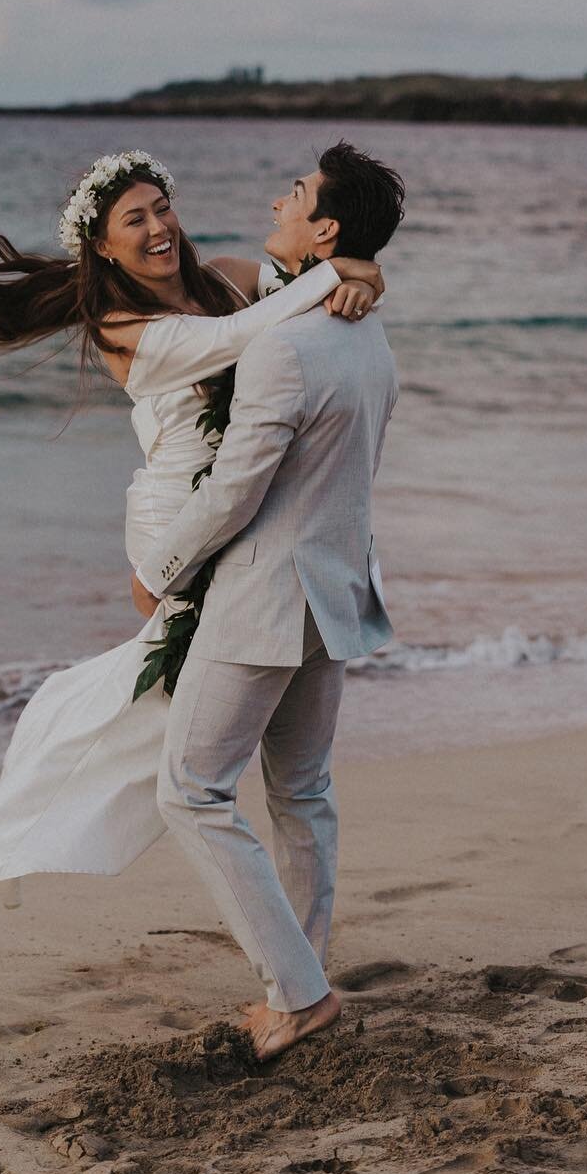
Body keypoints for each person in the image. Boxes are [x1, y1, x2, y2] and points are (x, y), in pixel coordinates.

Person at [0, 146, 388, 941]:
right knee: (159, 729)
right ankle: (27, 829)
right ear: (104, 246)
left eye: (162, 208)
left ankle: (291, 942)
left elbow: (297, 291)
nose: (158, 228)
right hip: (175, 528)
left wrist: (357, 274)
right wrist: (346, 274)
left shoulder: (224, 273)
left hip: (238, 517)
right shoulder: (121, 324)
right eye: (135, 220)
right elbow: (248, 333)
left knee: (199, 738)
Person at [132, 142, 403, 1058]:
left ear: (323, 226)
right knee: (302, 791)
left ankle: (300, 992)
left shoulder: (284, 347)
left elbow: (236, 491)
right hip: (337, 590)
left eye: (294, 192)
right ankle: (305, 977)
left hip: (264, 600)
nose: (277, 198)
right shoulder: (365, 332)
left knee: (192, 792)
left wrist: (162, 568)